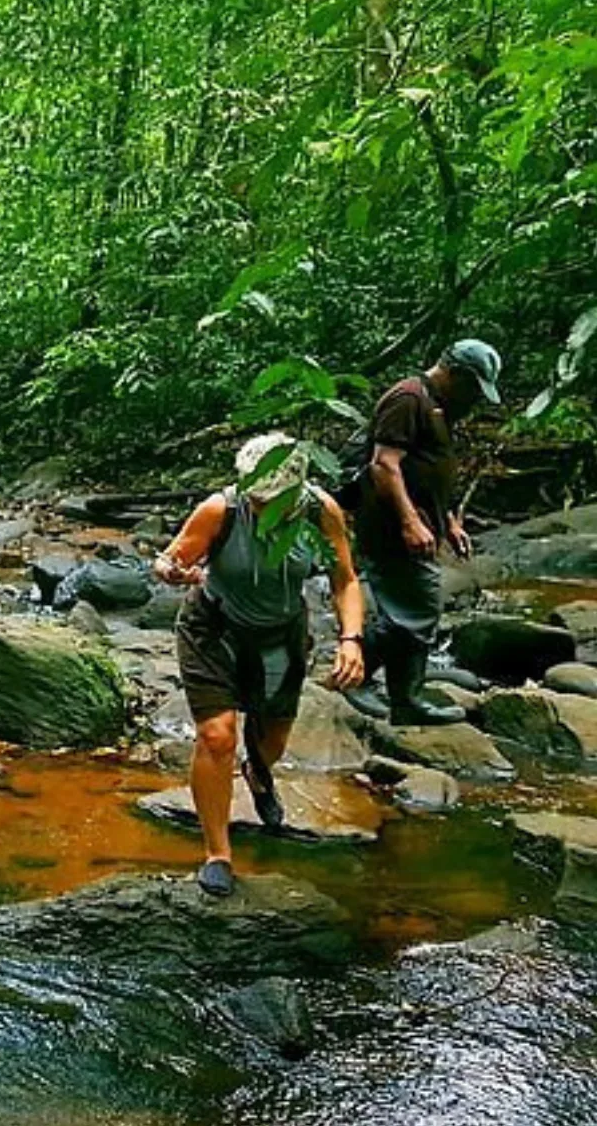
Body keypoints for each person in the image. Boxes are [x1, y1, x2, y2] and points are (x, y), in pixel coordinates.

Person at [153, 432, 367, 898]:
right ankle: (218, 854)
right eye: (257, 498)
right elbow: (170, 560)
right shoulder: (220, 510)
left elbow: (345, 579)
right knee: (217, 736)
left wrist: (352, 639)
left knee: (273, 738)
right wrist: (174, 571)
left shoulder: (320, 512)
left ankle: (258, 772)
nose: (263, 508)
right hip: (214, 629)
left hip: (280, 636)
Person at [344, 340, 502, 725]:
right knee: (416, 610)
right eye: (472, 388)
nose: (474, 400)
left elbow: (428, 470)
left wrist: (447, 520)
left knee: (413, 611)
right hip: (389, 525)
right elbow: (385, 465)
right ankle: (362, 677)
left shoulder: (438, 405)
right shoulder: (407, 399)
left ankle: (399, 696)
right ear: (453, 373)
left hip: (421, 522)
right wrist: (409, 520)